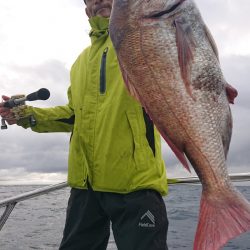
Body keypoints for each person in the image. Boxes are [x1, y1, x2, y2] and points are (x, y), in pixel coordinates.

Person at [0, 0, 169, 249]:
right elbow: (74, 115)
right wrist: (26, 115)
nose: (99, 1)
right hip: (85, 188)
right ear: (86, 10)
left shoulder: (142, 40)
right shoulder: (80, 62)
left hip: (135, 184)